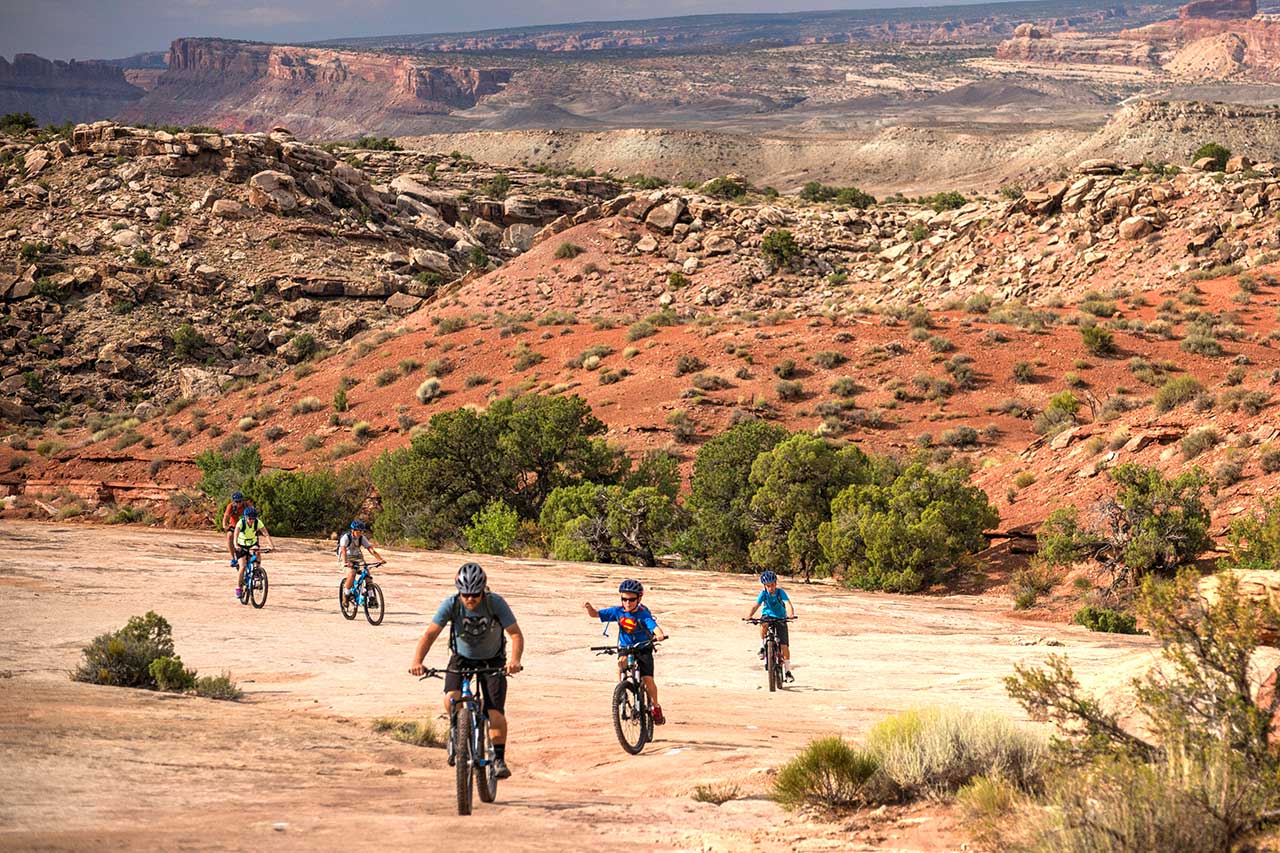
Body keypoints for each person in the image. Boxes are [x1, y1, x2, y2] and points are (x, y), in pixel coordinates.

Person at [409, 562, 524, 780]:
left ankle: (498, 759)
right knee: (451, 698)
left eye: (475, 594)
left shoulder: (495, 603)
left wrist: (514, 660)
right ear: (459, 592)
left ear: (483, 590)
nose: (470, 599)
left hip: (493, 659)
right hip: (461, 658)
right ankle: (457, 732)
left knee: (495, 713)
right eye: (465, 595)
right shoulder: (451, 604)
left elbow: (516, 634)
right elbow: (430, 634)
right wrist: (417, 661)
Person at [584, 579, 668, 725]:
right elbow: (596, 614)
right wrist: (589, 608)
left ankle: (655, 707)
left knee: (648, 680)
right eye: (624, 599)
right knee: (621, 662)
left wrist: (659, 634)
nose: (627, 603)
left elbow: (654, 627)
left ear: (639, 599)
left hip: (643, 647)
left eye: (631, 599)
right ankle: (622, 691)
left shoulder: (643, 614)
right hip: (625, 646)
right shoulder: (617, 611)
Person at [746, 570, 796, 682]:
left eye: (772, 585)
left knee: (784, 646)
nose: (771, 588)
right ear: (764, 586)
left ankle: (787, 671)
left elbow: (788, 604)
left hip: (781, 617)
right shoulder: (763, 594)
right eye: (768, 586)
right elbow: (756, 605)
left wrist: (790, 614)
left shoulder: (780, 592)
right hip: (767, 615)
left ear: (776, 583)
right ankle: (762, 647)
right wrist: (749, 616)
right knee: (763, 623)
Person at [233, 505, 274, 599]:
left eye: (254, 518)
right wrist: (236, 545)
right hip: (241, 545)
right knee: (242, 566)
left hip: (252, 543)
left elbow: (265, 533)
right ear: (246, 517)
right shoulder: (241, 523)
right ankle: (238, 587)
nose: (252, 520)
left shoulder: (257, 522)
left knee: (257, 551)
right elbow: (235, 535)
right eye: (250, 518)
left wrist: (271, 545)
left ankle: (257, 571)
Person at [339, 520, 386, 600]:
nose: (360, 533)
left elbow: (371, 549)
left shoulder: (362, 538)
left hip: (358, 557)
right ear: (353, 530)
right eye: (359, 531)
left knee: (367, 574)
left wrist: (380, 559)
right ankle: (346, 594)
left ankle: (371, 596)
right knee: (352, 573)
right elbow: (343, 552)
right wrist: (345, 562)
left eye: (362, 531)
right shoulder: (346, 538)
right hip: (347, 557)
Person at [222, 492, 253, 566]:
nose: (238, 503)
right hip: (234, 525)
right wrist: (224, 525)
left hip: (245, 525)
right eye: (236, 501)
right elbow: (226, 517)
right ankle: (233, 558)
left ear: (242, 500)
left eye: (240, 501)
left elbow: (253, 514)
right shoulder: (231, 506)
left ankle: (249, 556)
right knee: (229, 536)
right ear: (233, 501)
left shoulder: (247, 505)